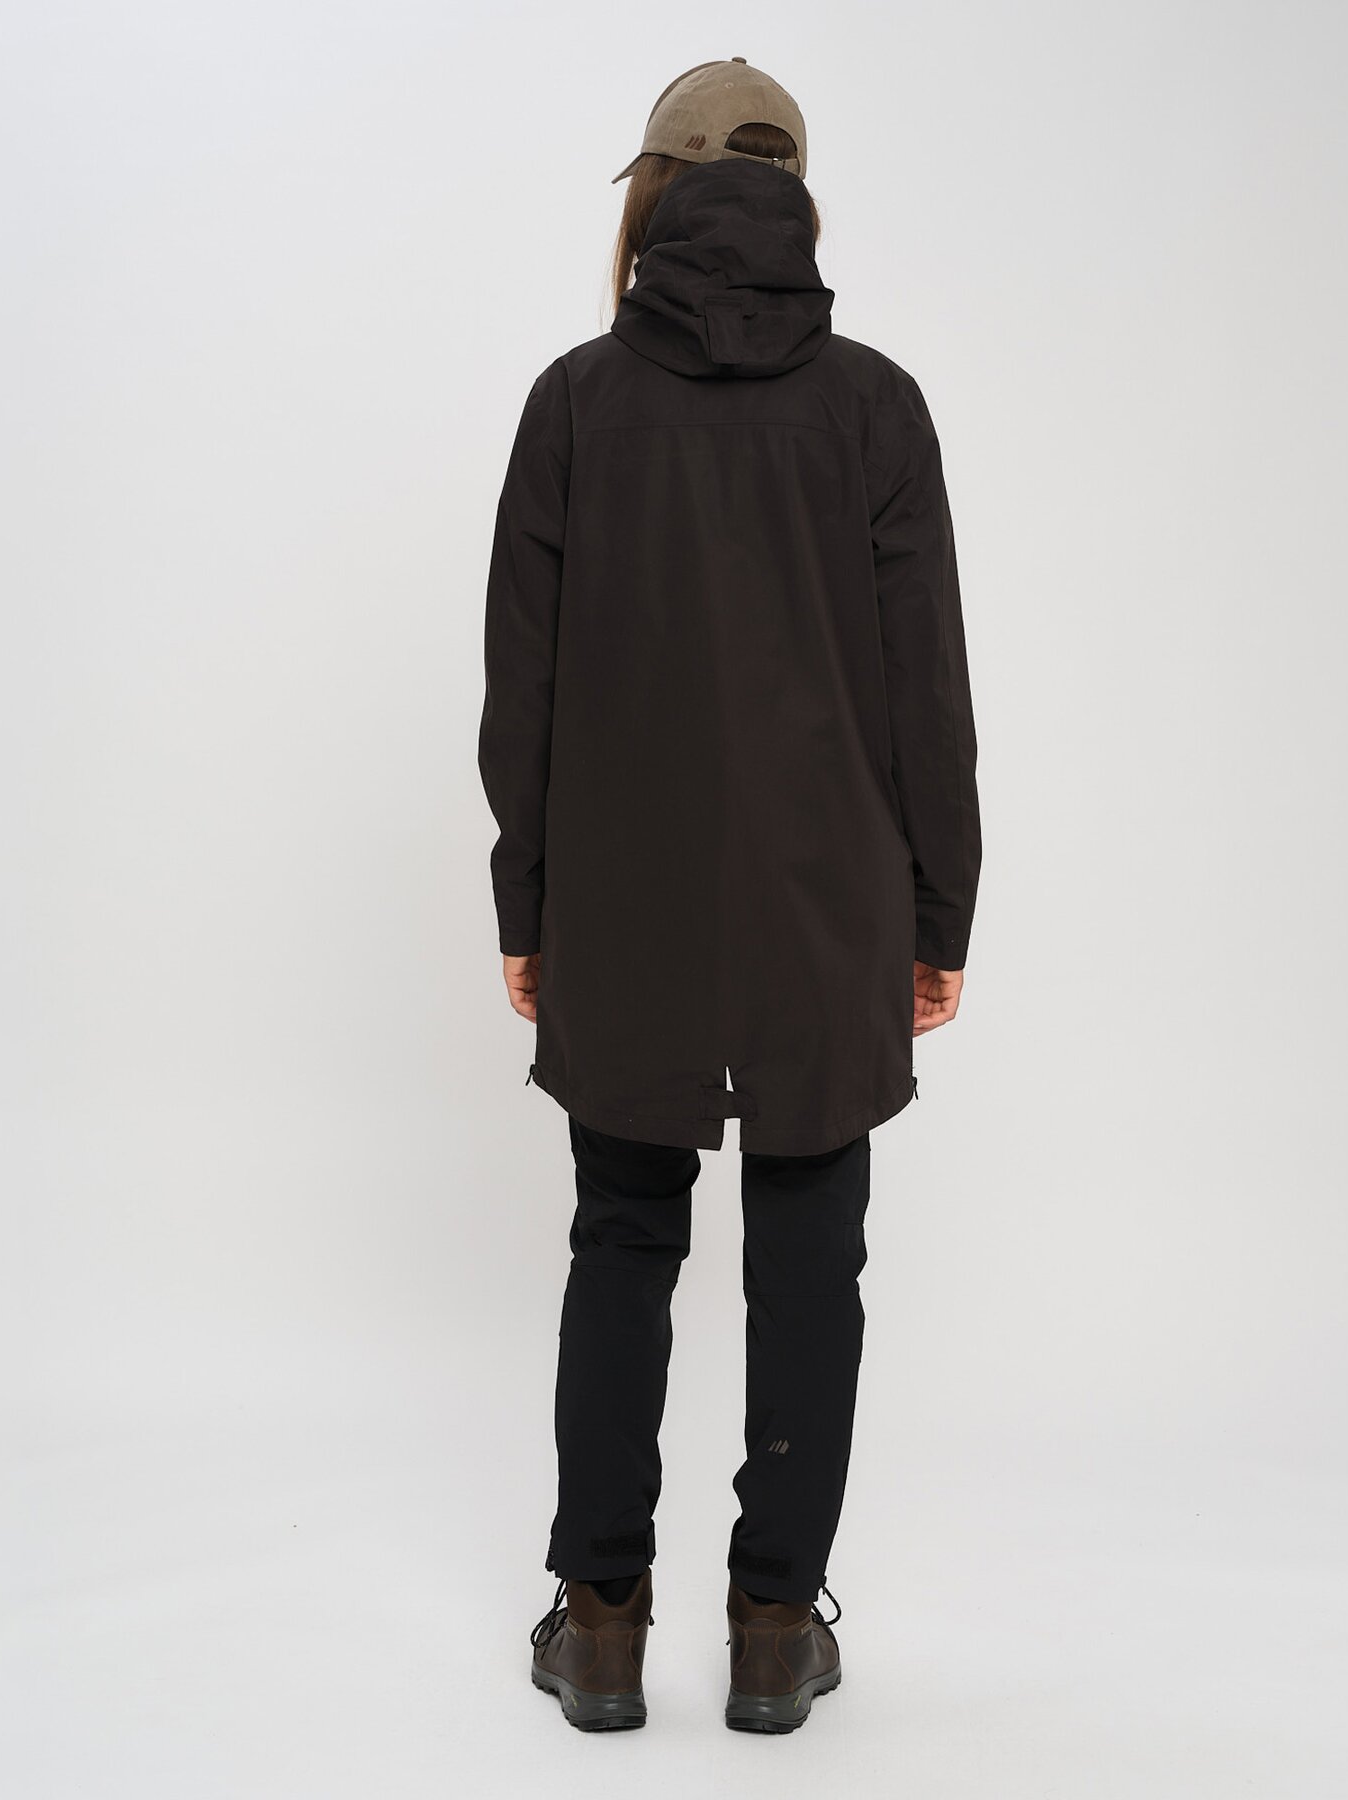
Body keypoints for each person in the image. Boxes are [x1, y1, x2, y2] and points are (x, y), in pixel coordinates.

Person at [479, 58, 981, 1735]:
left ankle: (598, 1621)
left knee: (622, 1238)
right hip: (827, 909)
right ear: (793, 197)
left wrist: (527, 903)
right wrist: (937, 915)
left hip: (621, 906)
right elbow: (925, 692)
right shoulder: (874, 409)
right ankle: (773, 1629)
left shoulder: (576, 404)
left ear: (653, 195)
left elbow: (525, 691)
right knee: (811, 1254)